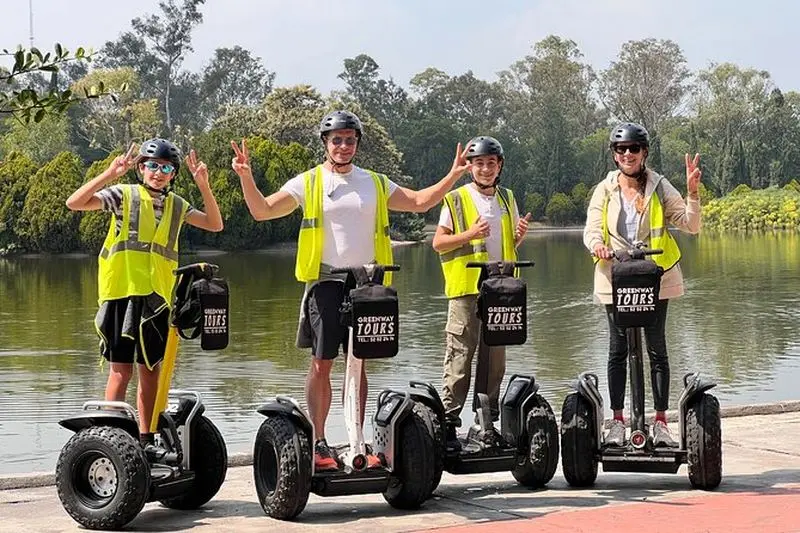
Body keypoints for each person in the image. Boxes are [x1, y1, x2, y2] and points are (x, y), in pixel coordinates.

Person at [232, 110, 473, 471]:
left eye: (349, 140)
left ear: (357, 143)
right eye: (336, 140)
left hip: (367, 283)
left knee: (359, 363)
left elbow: (420, 201)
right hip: (326, 282)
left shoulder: (373, 182)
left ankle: (358, 440)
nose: (343, 146)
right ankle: (318, 443)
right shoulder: (310, 181)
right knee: (322, 362)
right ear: (326, 144)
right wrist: (247, 178)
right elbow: (262, 211)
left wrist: (453, 175)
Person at [65, 138, 223, 456]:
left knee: (151, 371)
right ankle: (108, 437)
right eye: (152, 165)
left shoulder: (177, 206)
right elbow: (75, 202)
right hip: (121, 293)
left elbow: (214, 224)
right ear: (141, 168)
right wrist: (110, 173)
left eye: (166, 168)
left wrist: (204, 184)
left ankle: (146, 439)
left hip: (157, 299)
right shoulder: (123, 195)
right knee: (120, 370)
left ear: (173, 174)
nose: (159, 172)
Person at [583, 122, 702, 447]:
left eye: (634, 149)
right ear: (614, 155)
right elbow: (591, 228)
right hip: (615, 276)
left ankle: (661, 422)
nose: (627, 154)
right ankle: (618, 422)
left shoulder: (660, 187)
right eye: (621, 149)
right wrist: (597, 246)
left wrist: (692, 193)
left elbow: (690, 226)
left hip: (655, 277)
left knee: (656, 346)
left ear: (644, 152)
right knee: (617, 348)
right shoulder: (604, 189)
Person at [431, 135, 531, 449]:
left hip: (501, 289)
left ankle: (485, 421)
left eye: (491, 163)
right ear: (471, 167)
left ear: (499, 165)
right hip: (465, 288)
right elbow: (438, 243)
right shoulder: (456, 198)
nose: (485, 169)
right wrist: (470, 234)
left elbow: (506, 245)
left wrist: (518, 237)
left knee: (494, 359)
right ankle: (448, 422)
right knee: (461, 356)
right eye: (479, 164)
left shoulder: (507, 198)